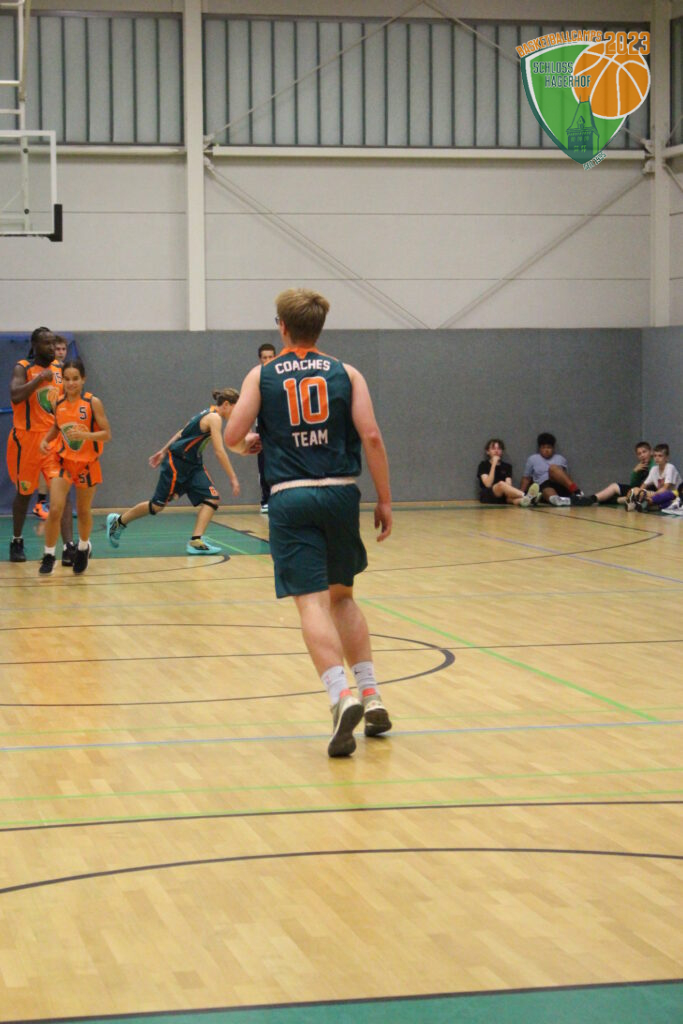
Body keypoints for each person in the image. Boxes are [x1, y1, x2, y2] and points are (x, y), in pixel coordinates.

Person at [225, 288, 393, 759]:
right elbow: (371, 435)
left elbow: (234, 435)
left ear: (282, 327)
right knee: (343, 597)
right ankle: (372, 694)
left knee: (311, 604)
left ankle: (341, 696)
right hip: (340, 492)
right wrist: (385, 498)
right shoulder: (347, 372)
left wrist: (247, 445)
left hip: (290, 495)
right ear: (320, 327)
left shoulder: (262, 374)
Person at [106, 389, 255, 555]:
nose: (237, 413)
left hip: (194, 465)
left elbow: (180, 433)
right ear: (226, 404)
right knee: (157, 506)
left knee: (212, 498)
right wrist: (233, 477)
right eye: (236, 408)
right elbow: (219, 451)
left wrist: (162, 451)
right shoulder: (214, 418)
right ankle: (118, 522)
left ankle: (196, 541)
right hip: (177, 463)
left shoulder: (208, 413)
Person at [6, 327, 74, 564]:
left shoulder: (60, 369)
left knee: (62, 493)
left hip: (53, 440)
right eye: (47, 343)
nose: (52, 347)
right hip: (26, 440)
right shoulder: (23, 368)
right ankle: (16, 540)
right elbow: (15, 396)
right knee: (24, 492)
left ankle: (69, 547)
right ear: (35, 345)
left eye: (54, 343)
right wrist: (38, 380)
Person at [38, 358, 112, 575]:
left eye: (75, 379)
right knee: (55, 509)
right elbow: (56, 426)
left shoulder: (92, 403)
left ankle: (83, 547)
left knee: (82, 510)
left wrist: (85, 436)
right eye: (67, 379)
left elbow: (107, 434)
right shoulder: (59, 402)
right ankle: (49, 555)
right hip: (62, 461)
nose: (71, 383)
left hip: (87, 464)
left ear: (83, 379)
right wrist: (46, 439)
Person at [520, 432, 588, 507]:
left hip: (559, 485)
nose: (546, 450)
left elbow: (567, 478)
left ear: (553, 448)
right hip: (543, 486)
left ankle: (577, 493)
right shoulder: (532, 459)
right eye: (543, 447)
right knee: (546, 490)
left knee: (553, 468)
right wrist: (521, 494)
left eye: (549, 447)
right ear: (539, 448)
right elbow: (526, 478)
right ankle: (560, 501)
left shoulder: (561, 459)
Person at [580, 441, 654, 507]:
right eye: (639, 454)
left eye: (644, 452)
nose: (642, 455)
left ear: (651, 452)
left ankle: (612, 500)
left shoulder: (654, 464)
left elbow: (650, 483)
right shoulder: (641, 466)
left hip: (649, 492)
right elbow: (633, 484)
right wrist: (635, 472)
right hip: (637, 490)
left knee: (634, 493)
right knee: (614, 486)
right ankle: (591, 499)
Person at [477, 438, 540, 507]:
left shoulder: (507, 466)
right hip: (488, 495)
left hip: (503, 495)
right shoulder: (483, 465)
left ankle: (527, 500)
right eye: (493, 448)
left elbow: (508, 485)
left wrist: (509, 492)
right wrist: (494, 464)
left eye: (499, 449)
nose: (496, 451)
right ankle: (528, 496)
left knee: (512, 499)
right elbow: (488, 484)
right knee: (501, 484)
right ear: (487, 451)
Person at [627, 444, 682, 513]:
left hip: (676, 495)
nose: (657, 458)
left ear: (667, 458)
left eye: (660, 456)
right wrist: (639, 493)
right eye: (655, 456)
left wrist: (651, 496)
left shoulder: (670, 468)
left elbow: (665, 488)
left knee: (655, 499)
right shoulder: (654, 469)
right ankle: (637, 503)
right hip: (660, 495)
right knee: (635, 490)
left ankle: (651, 502)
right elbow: (644, 485)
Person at [256, 342, 276, 513]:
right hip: (263, 429)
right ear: (260, 359)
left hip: (281, 428)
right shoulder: (256, 379)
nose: (268, 360)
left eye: (271, 357)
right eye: (265, 357)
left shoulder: (281, 377)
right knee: (264, 465)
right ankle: (266, 499)